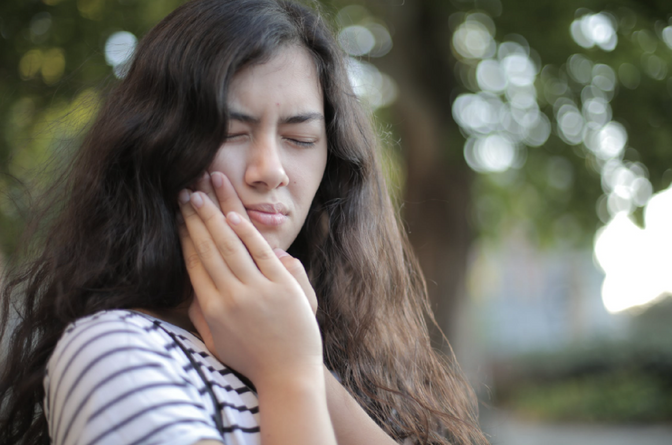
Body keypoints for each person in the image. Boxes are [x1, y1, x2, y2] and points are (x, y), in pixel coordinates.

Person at [0, 0, 488, 444]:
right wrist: (285, 375)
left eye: (300, 139)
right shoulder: (114, 354)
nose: (270, 170)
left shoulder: (329, 356)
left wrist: (304, 364)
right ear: (156, 148)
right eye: (232, 131)